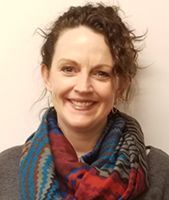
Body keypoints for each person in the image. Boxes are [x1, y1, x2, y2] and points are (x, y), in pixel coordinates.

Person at [0, 3, 169, 200]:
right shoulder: (6, 169)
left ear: (120, 84)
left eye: (101, 73)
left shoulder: (160, 172)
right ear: (47, 77)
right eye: (69, 69)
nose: (83, 87)